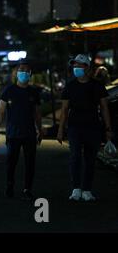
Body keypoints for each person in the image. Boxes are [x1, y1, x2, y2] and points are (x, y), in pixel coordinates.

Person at [57, 54, 112, 202]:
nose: (76, 68)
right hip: (75, 126)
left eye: (79, 66)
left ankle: (87, 189)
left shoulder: (97, 85)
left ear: (87, 68)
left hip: (93, 127)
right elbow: (64, 109)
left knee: (90, 159)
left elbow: (104, 108)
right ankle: (76, 188)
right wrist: (61, 129)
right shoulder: (70, 85)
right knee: (75, 156)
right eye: (74, 66)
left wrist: (108, 129)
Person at [0, 59, 42, 200]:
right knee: (11, 162)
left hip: (30, 133)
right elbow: (1, 112)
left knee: (30, 162)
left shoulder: (34, 92)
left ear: (30, 74)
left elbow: (37, 113)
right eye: (21, 70)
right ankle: (9, 185)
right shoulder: (9, 91)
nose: (23, 72)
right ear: (16, 73)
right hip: (13, 133)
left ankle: (27, 189)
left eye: (26, 70)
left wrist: (40, 130)